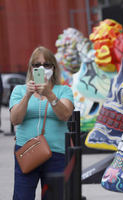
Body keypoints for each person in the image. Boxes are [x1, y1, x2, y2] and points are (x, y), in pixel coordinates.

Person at [9, 46, 74, 200]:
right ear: (31, 68)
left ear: (53, 68)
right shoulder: (20, 90)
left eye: (47, 65)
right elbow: (15, 119)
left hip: (56, 153)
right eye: (36, 65)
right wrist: (27, 96)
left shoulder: (63, 91)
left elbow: (65, 115)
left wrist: (50, 95)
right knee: (22, 196)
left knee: (55, 196)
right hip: (26, 151)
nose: (42, 69)